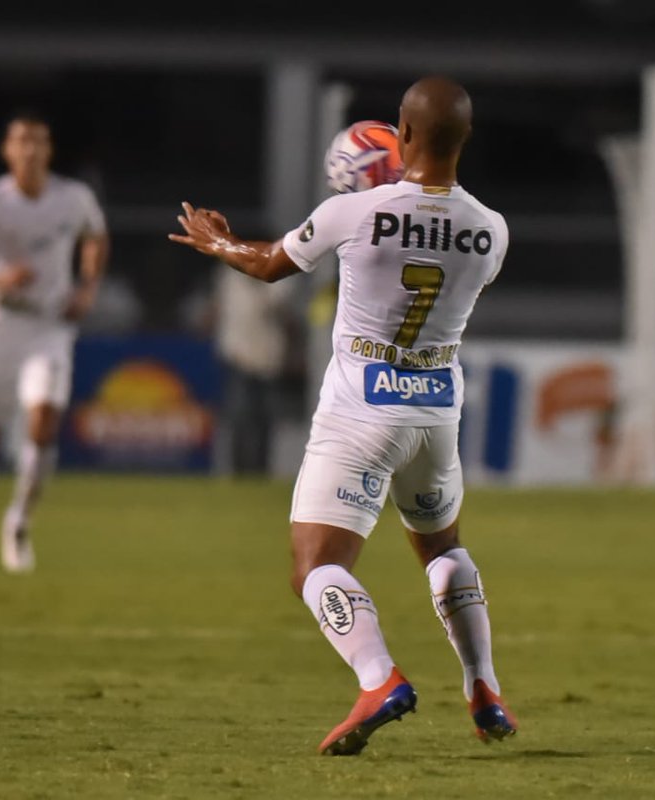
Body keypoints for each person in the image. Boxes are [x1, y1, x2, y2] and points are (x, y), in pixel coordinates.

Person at [169, 76, 516, 755]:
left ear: (404, 134)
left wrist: (217, 243)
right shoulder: (492, 230)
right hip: (436, 414)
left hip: (362, 411)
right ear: (465, 139)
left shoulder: (354, 211)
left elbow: (270, 265)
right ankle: (484, 687)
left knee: (316, 566)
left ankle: (378, 677)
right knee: (443, 548)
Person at [0, 111, 109, 579]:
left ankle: (18, 522)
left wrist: (87, 287)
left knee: (43, 421)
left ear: (49, 150)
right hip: (1, 324)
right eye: (21, 141)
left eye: (38, 141)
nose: (30, 149)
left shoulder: (73, 198)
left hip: (50, 325)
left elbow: (95, 236)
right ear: (7, 151)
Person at [212, 259, 299, 475]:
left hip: (268, 360)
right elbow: (220, 311)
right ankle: (238, 472)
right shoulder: (230, 277)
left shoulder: (279, 281)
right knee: (240, 417)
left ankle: (260, 470)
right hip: (238, 357)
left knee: (264, 421)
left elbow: (278, 309)